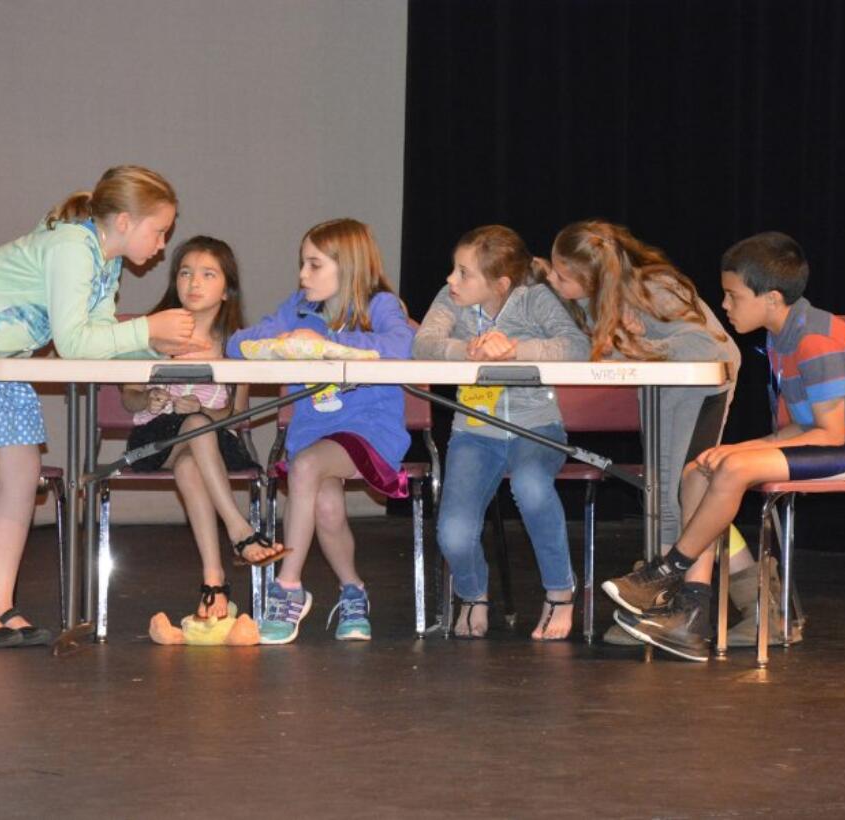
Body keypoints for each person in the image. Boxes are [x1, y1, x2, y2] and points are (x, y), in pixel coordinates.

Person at [0, 165, 195, 647]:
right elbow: (72, 341)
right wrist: (148, 329)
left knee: (23, 473)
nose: (163, 244)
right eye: (159, 230)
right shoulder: (71, 248)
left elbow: (98, 340)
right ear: (124, 222)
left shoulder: (106, 264)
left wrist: (155, 348)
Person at [609, 231, 845, 661]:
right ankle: (691, 613)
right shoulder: (780, 337)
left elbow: (831, 434)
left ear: (770, 298)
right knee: (701, 469)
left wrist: (743, 458)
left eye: (732, 296)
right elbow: (795, 429)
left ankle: (666, 572)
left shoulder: (813, 339)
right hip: (833, 443)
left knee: (732, 469)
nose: (725, 306)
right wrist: (738, 448)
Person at [543, 220, 752, 646]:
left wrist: (647, 347)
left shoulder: (655, 287)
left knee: (681, 493)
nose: (553, 279)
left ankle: (669, 606)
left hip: (704, 389)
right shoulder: (594, 300)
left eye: (561, 274)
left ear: (590, 276)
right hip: (663, 395)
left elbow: (706, 349)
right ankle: (760, 599)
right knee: (666, 494)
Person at [226, 218, 414, 644]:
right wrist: (278, 344)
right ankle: (353, 592)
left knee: (308, 466)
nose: (302, 275)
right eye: (302, 264)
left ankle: (287, 587)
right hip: (314, 428)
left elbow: (401, 347)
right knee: (326, 506)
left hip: (369, 431)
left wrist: (326, 343)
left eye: (314, 265)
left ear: (347, 267)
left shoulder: (380, 305)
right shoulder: (298, 307)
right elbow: (238, 344)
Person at [413, 225, 590, 640]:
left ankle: (560, 592)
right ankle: (474, 595)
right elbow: (423, 343)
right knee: (453, 533)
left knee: (531, 485)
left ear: (501, 283)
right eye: (453, 270)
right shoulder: (451, 301)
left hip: (537, 428)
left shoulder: (535, 299)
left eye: (463, 273)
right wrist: (466, 350)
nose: (450, 281)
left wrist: (514, 350)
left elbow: (576, 347)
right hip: (475, 431)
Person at [121, 235, 286, 623]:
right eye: (185, 273)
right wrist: (149, 400)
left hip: (216, 439)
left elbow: (238, 413)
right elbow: (128, 395)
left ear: (227, 289)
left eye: (208, 274)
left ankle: (214, 582)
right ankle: (240, 529)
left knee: (192, 452)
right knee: (190, 433)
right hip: (157, 439)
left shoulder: (236, 344)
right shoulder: (153, 334)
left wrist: (204, 413)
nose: (194, 283)